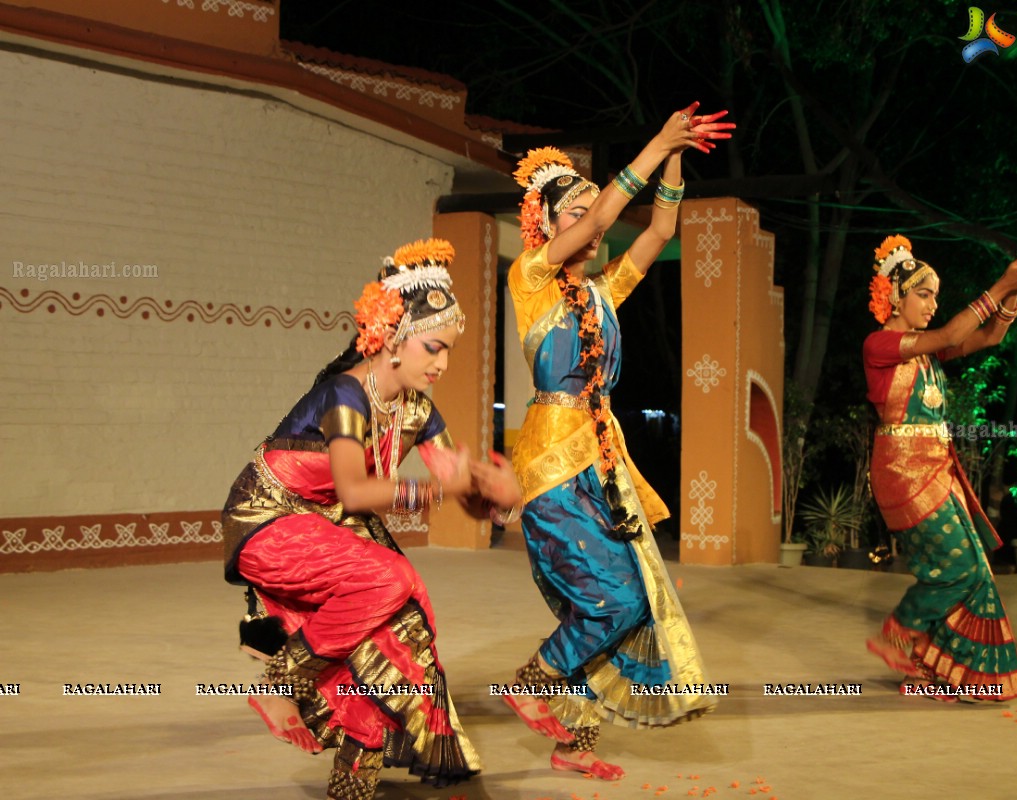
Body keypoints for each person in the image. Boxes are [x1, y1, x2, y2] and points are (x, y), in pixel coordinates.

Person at [220, 239, 523, 797]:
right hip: (272, 519)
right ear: (394, 340)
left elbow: (460, 487)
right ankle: (283, 676)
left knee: (399, 639)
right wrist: (438, 488)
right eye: (434, 347)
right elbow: (357, 491)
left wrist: (499, 494)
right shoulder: (347, 393)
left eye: (449, 350)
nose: (443, 363)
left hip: (329, 525)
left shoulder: (417, 409)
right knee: (387, 578)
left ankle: (352, 783)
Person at [503, 104, 734, 780]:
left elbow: (661, 226)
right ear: (545, 228)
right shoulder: (531, 281)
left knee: (618, 601)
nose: (589, 222)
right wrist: (657, 136)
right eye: (572, 212)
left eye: (587, 208)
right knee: (615, 598)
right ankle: (531, 680)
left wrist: (677, 152)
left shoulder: (602, 292)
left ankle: (574, 742)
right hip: (552, 462)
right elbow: (608, 217)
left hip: (604, 463)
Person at [862, 235, 1017, 701]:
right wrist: (999, 283)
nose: (932, 305)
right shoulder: (881, 344)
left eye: (935, 296)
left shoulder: (926, 353)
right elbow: (952, 334)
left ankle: (932, 667)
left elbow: (988, 335)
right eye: (924, 294)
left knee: (972, 569)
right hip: (902, 472)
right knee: (956, 570)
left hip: (937, 469)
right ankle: (898, 630)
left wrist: (1011, 298)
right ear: (895, 295)